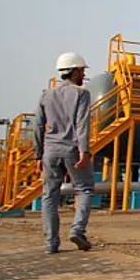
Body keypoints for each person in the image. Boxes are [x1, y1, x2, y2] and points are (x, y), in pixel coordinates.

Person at [33, 52, 94, 254]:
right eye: (82, 71)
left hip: (50, 151)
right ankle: (77, 230)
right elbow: (82, 124)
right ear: (74, 71)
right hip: (72, 148)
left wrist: (38, 154)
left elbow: (37, 126)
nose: (84, 74)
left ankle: (50, 244)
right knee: (84, 189)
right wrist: (84, 151)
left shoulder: (46, 94)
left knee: (49, 195)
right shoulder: (81, 94)